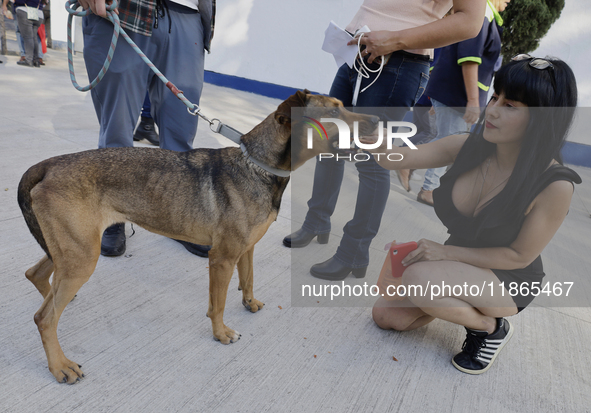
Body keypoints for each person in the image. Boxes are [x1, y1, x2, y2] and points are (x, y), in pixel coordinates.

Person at [366, 56, 581, 374]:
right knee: (386, 316)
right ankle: (452, 299)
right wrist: (371, 137)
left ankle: (489, 329)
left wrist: (442, 254)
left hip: (509, 278)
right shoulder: (468, 146)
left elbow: (518, 255)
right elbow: (397, 158)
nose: (491, 110)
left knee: (418, 279)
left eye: (511, 106)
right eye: (495, 96)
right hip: (459, 264)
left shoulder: (555, 184)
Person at [283, 0, 487, 281]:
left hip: (397, 63)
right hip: (356, 53)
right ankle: (316, 222)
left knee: (372, 160)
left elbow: (469, 22)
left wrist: (394, 39)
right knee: (330, 145)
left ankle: (354, 252)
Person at [78, 0, 215, 257]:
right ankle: (113, 214)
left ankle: (177, 216)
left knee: (181, 131)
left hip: (188, 16)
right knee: (116, 131)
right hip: (124, 9)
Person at [413, 0, 510, 206]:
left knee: (445, 139)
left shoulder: (486, 15)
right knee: (450, 143)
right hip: (457, 95)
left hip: (454, 94)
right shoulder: (481, 14)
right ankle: (428, 189)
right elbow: (469, 58)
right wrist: (473, 101)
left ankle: (410, 165)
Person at [2, 0, 44, 67]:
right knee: (34, 37)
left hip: (24, 10)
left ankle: (28, 60)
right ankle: (36, 60)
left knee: (28, 37)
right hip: (38, 13)